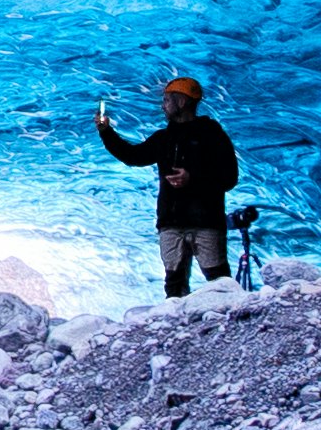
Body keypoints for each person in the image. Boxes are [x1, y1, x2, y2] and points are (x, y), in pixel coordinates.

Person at [97, 75, 242, 296]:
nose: (162, 106)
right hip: (171, 224)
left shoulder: (213, 136)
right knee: (174, 284)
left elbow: (228, 178)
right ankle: (178, 329)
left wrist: (192, 179)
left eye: (166, 100)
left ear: (181, 102)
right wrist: (106, 132)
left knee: (219, 281)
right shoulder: (164, 138)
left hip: (206, 223)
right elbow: (133, 156)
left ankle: (230, 323)